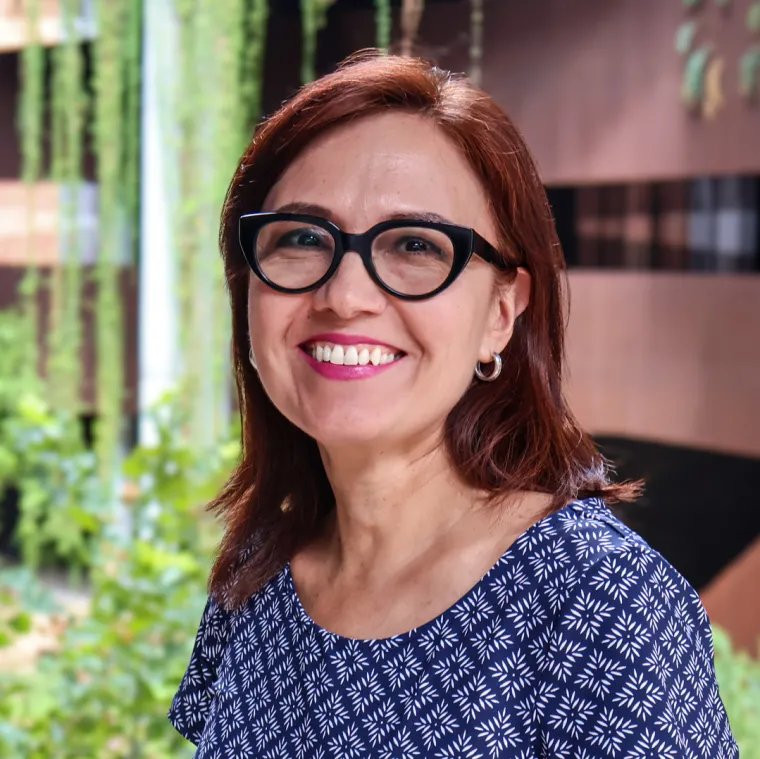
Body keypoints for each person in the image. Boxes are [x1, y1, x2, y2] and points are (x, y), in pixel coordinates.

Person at [168, 51, 737, 758]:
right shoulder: (258, 569)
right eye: (302, 239)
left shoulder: (599, 600)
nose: (344, 296)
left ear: (503, 311)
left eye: (414, 244)